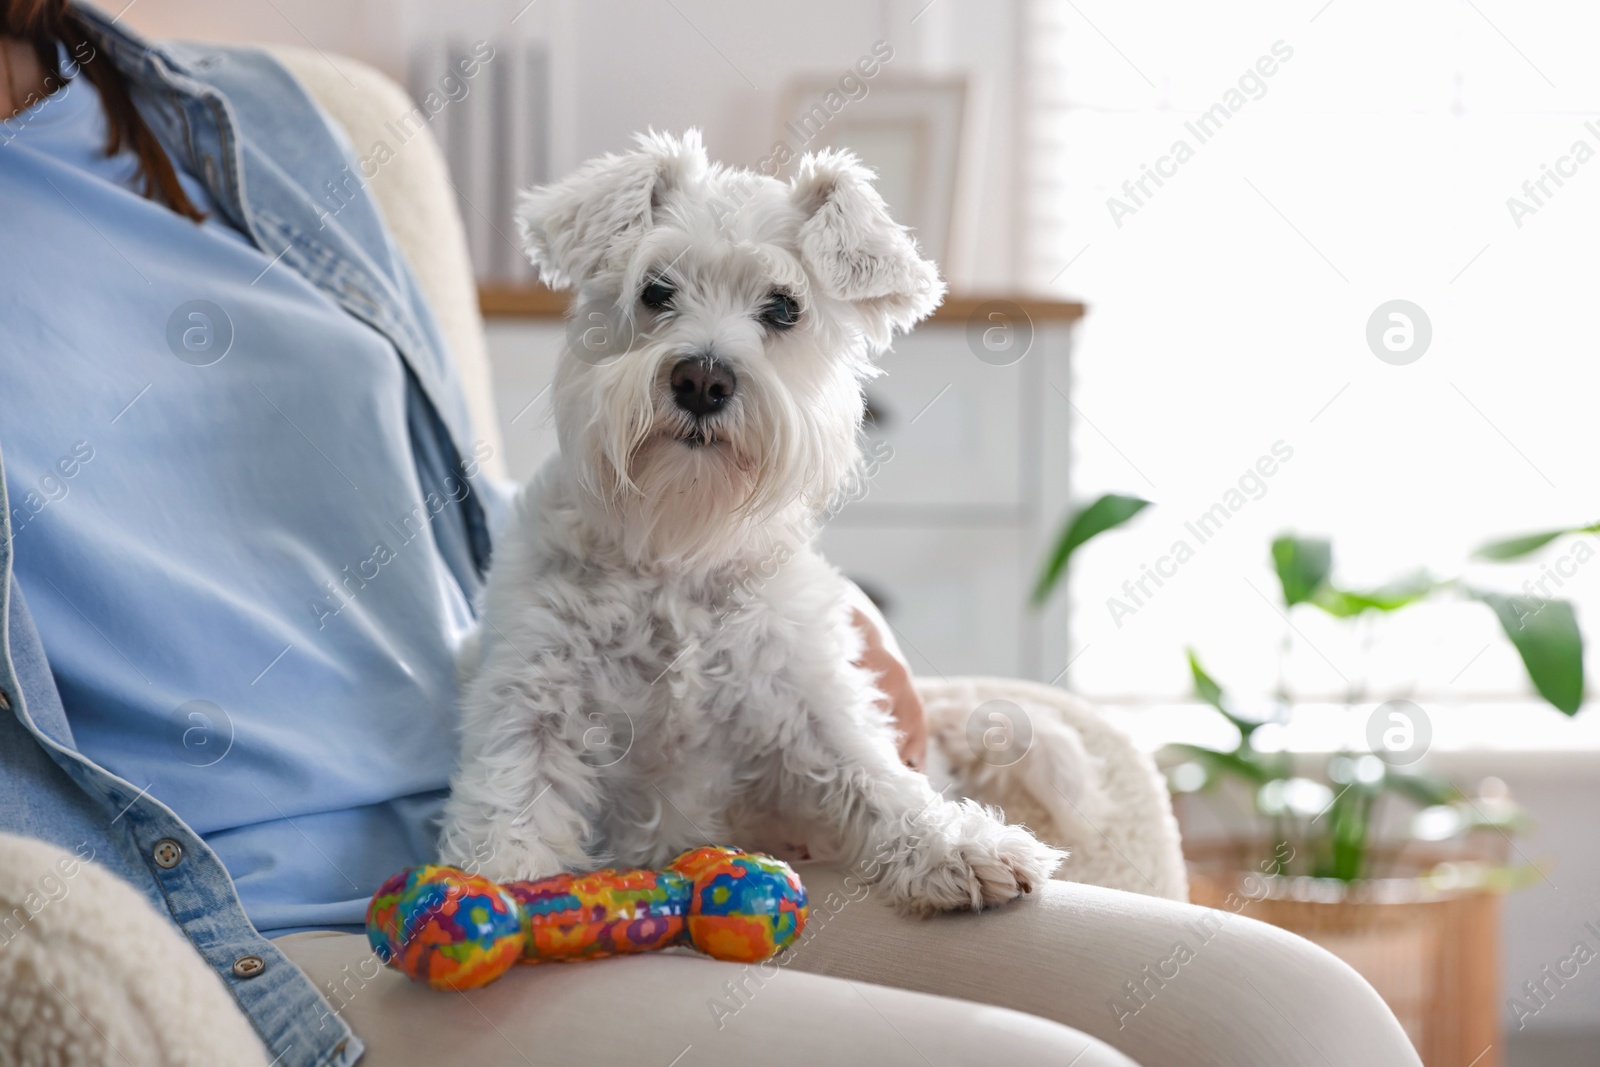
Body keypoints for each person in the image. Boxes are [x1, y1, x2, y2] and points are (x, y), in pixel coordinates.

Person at [0, 4, 1423, 1065]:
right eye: (669, 302)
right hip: (320, 918)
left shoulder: (264, 124)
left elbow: (421, 514)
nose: (705, 355)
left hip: (608, 828)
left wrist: (752, 595)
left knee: (1306, 1021)